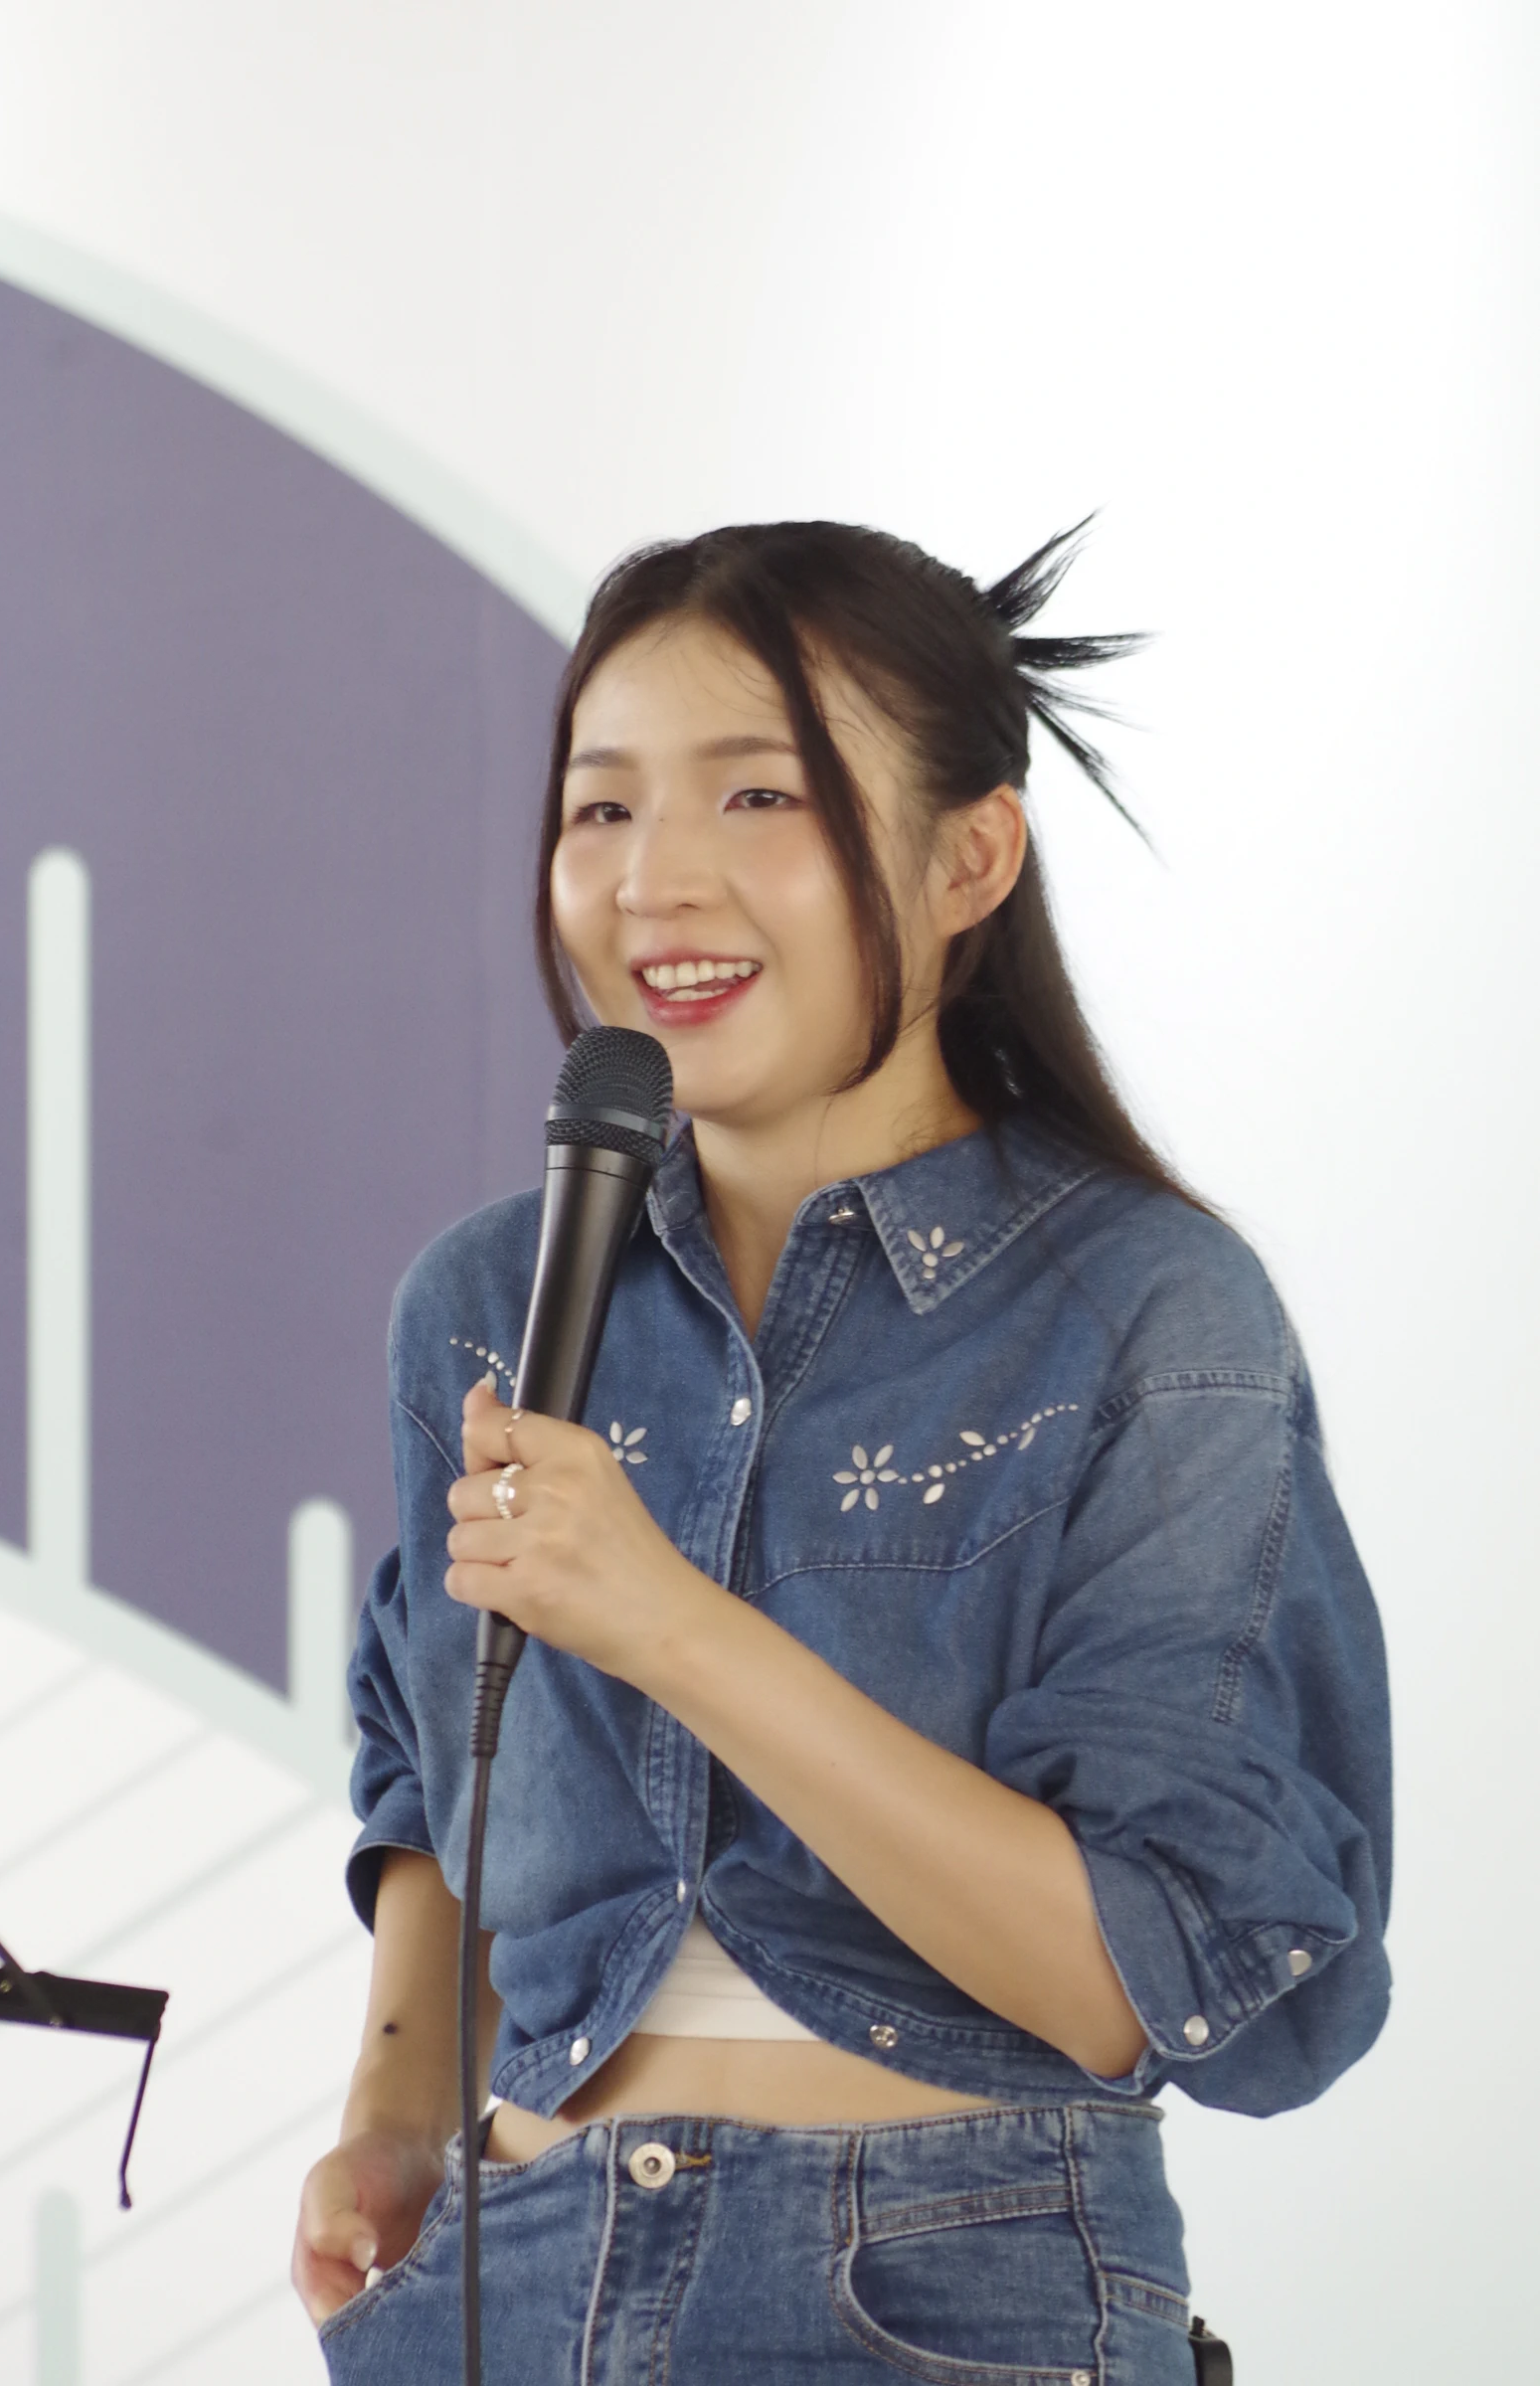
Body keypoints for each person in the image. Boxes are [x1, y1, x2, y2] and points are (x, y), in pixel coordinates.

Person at [291, 520, 1391, 2384]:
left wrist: (669, 1624)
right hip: (505, 2270)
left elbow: (1147, 1975)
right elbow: (431, 1764)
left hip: (943, 2276)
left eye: (759, 796)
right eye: (602, 808)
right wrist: (395, 2121)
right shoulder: (484, 1297)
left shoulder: (1148, 1312)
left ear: (969, 858)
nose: (655, 881)